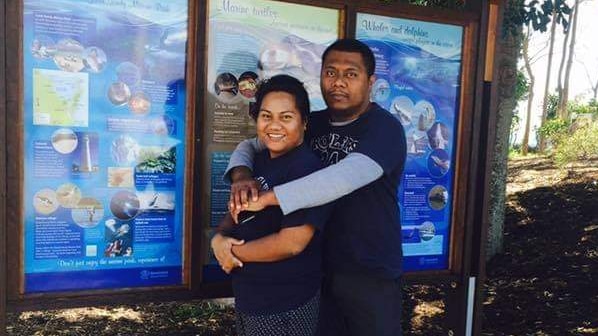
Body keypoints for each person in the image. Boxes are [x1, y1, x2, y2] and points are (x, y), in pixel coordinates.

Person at [219, 39, 407, 335]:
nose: (339, 82)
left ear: (370, 82)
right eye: (331, 72)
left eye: (351, 74)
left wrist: (268, 199)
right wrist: (242, 176)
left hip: (369, 272)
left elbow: (344, 177)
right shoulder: (312, 123)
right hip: (317, 269)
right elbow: (251, 144)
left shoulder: (385, 129)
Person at [211, 75, 330, 336]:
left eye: (286, 117)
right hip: (251, 297)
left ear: (304, 122)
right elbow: (236, 210)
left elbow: (292, 243)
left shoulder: (306, 169)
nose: (274, 125)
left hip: (285, 304)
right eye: (266, 116)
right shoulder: (260, 160)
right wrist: (218, 239)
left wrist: (230, 254)